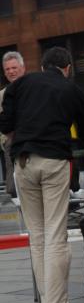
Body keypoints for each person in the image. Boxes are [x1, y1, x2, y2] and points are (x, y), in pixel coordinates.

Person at [0, 46, 84, 303]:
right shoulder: (73, 91)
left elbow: (6, 128)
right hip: (54, 161)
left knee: (38, 236)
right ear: (67, 68)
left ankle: (48, 301)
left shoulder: (19, 85)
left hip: (23, 162)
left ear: (43, 66)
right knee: (56, 232)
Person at [0, 51, 26, 196]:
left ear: (22, 68)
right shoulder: (2, 95)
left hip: (34, 140)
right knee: (13, 187)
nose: (11, 72)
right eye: (7, 69)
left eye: (14, 68)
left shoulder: (34, 87)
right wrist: (5, 141)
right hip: (12, 143)